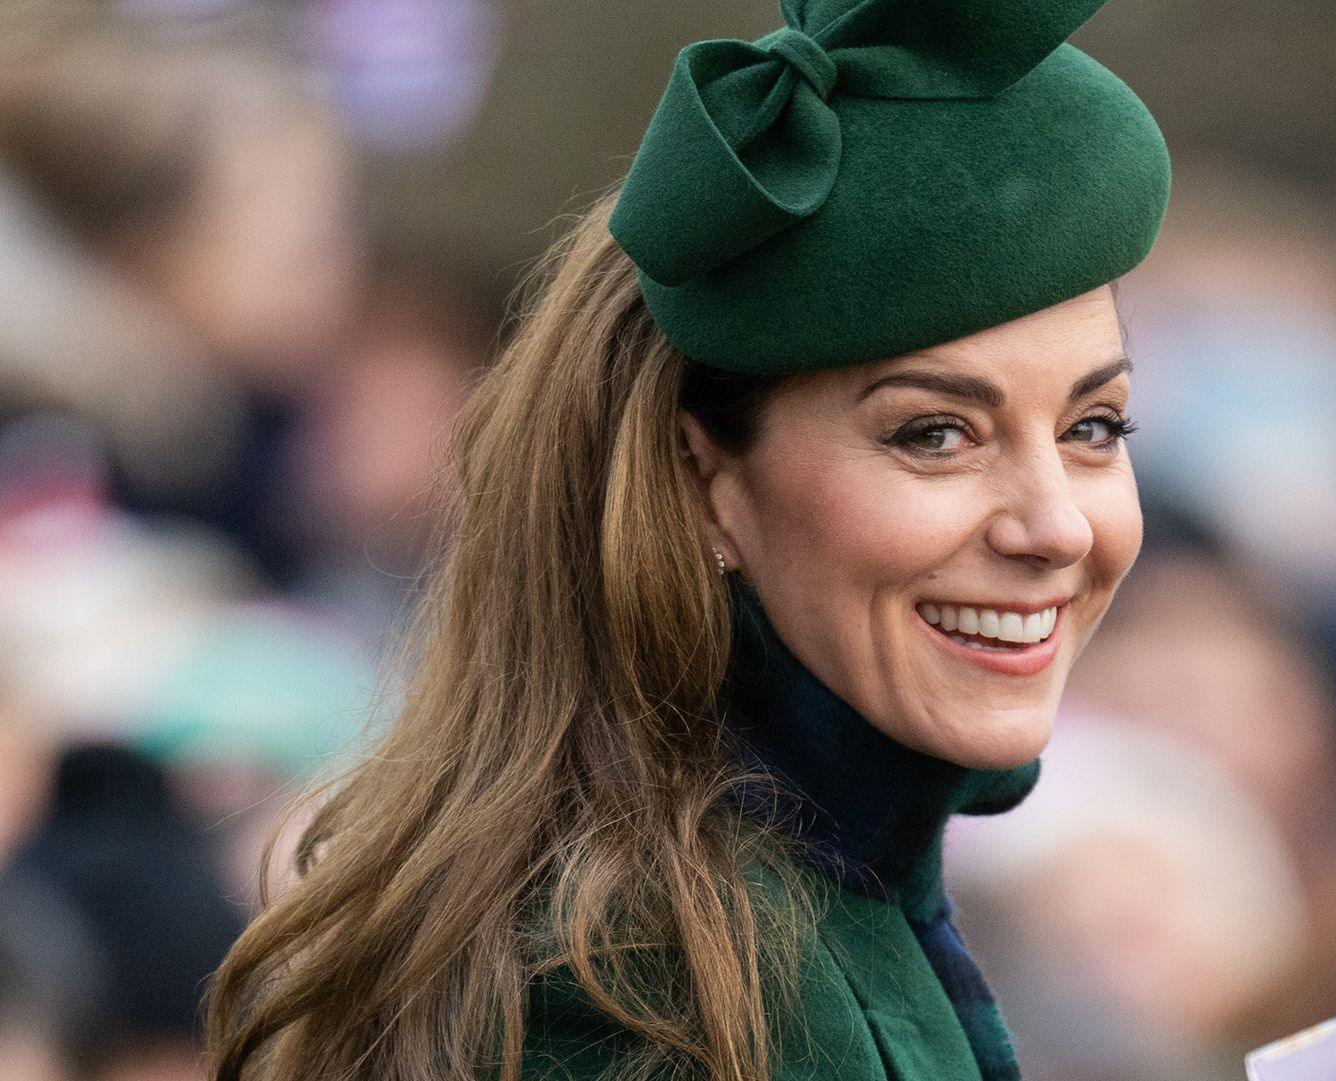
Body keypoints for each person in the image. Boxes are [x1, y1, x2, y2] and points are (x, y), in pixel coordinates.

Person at [204, 0, 1171, 1078]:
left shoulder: (807, 899)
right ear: (701, 482)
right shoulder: (643, 984)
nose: (1055, 526)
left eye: (1094, 427)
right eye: (935, 434)